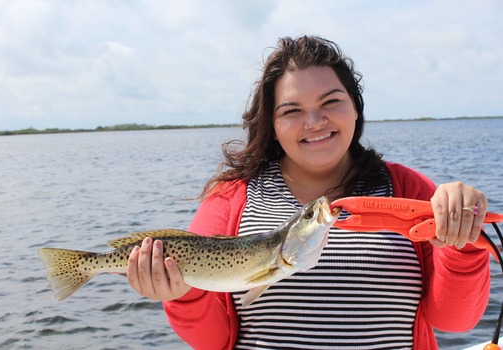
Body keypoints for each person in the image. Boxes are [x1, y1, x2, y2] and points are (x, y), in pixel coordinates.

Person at [126, 36, 491, 349]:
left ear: (355, 106)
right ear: (271, 123)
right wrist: (182, 293)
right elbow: (213, 341)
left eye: (331, 102)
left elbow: (455, 322)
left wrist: (464, 240)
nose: (314, 122)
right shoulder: (231, 198)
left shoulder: (409, 190)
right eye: (292, 110)